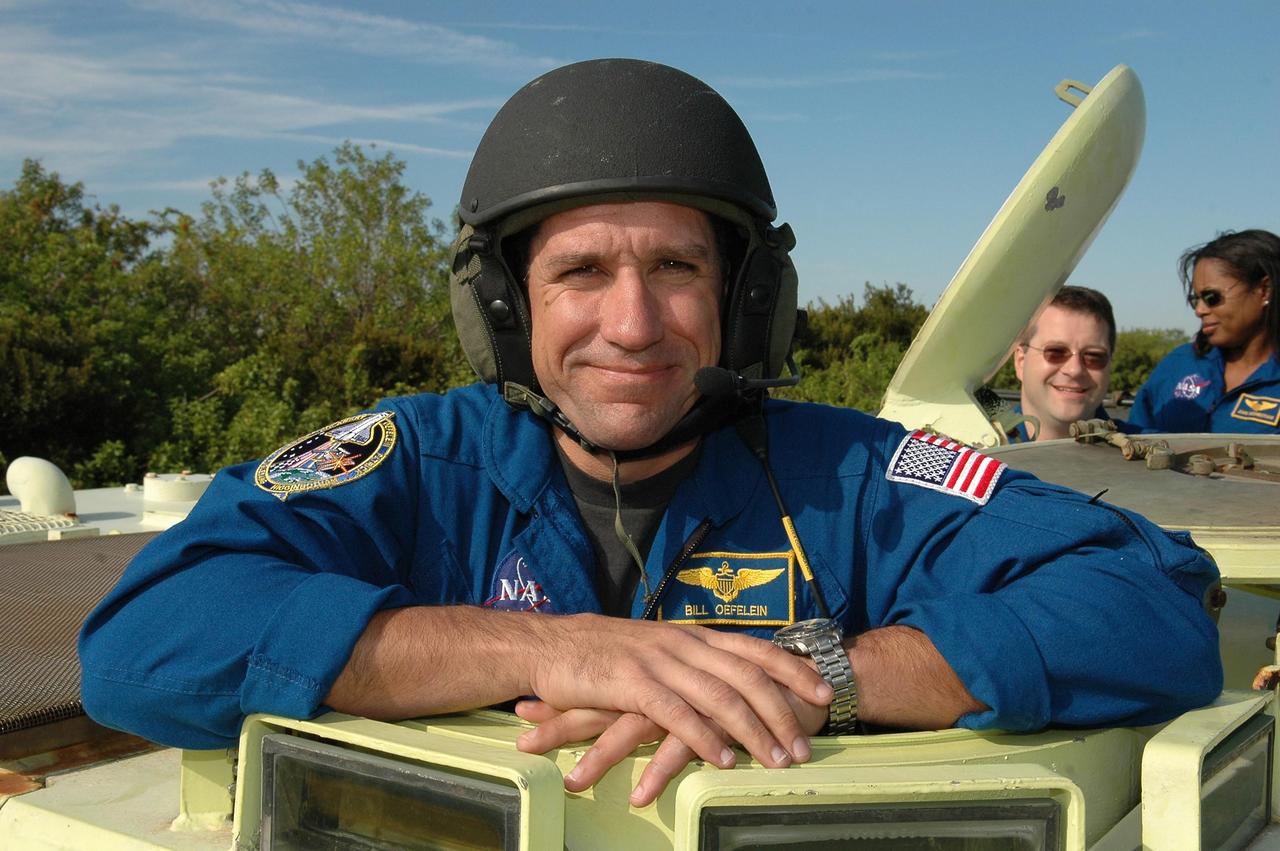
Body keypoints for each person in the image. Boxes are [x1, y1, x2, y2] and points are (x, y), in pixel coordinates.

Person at [79, 58, 1222, 808]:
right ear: (503, 307)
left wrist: (821, 673)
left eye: (675, 268)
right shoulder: (416, 460)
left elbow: (1151, 599)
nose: (631, 324)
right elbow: (145, 640)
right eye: (579, 271)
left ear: (741, 298)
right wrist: (548, 647)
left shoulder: (855, 471)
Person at [1129, 229, 1280, 433]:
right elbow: (1131, 440)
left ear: (1264, 290)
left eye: (1211, 297)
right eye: (1195, 300)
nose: (1200, 310)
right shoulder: (1177, 366)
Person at [1010, 286, 1116, 441]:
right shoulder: (972, 460)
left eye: (1094, 356)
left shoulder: (1153, 456)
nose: (1075, 370)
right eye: (1056, 352)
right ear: (1021, 361)